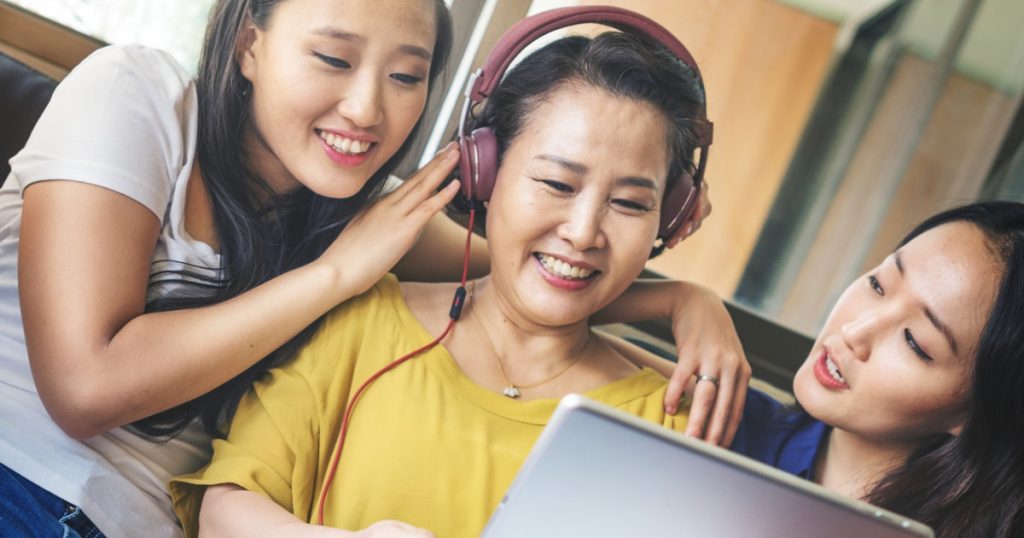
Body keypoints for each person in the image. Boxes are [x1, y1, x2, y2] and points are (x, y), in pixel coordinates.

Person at [0, 1, 746, 537]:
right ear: (249, 45)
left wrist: (684, 300)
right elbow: (84, 388)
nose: (366, 109)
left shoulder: (365, 219)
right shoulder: (137, 96)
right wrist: (334, 275)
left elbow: (530, 270)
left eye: (406, 75)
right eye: (333, 58)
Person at [170, 28, 716, 537]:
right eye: (556, 182)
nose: (582, 233)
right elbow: (222, 509)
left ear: (667, 219)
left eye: (629, 203)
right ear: (485, 174)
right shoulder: (364, 320)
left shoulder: (671, 426)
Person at [728, 201, 1024, 537]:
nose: (855, 332)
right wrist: (682, 303)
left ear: (975, 412)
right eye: (878, 285)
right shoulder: (721, 427)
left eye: (914, 342)